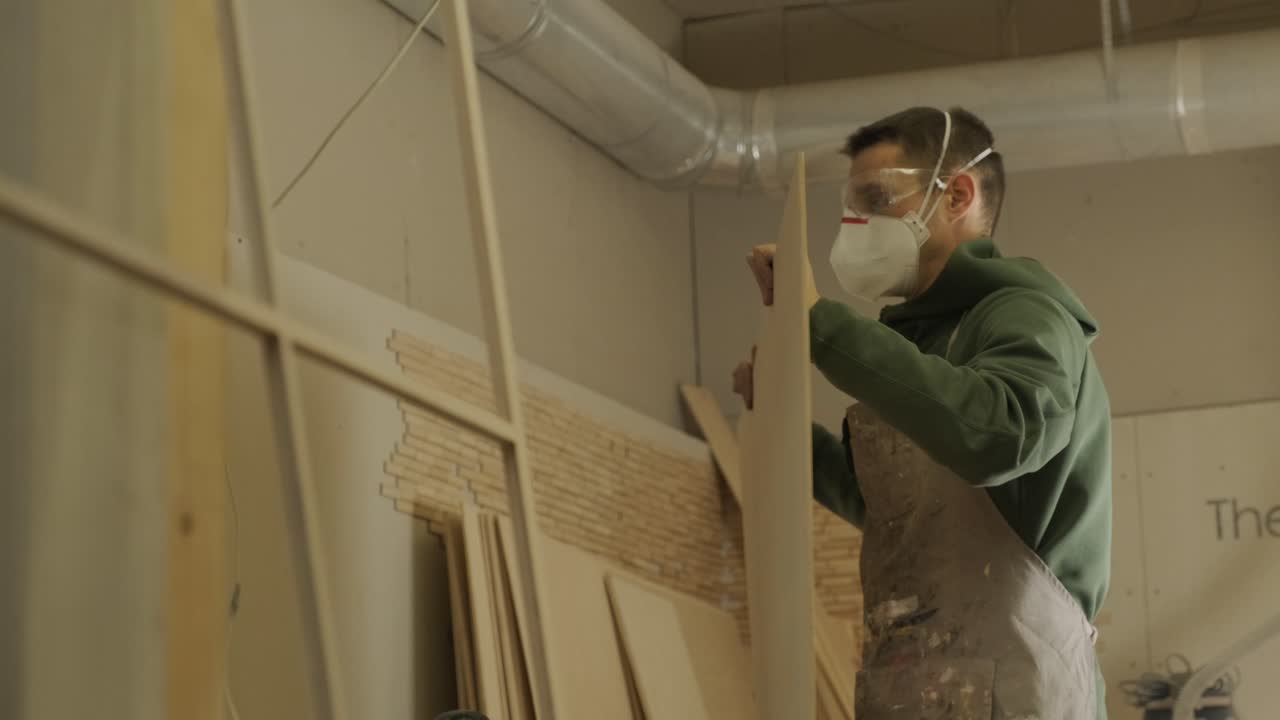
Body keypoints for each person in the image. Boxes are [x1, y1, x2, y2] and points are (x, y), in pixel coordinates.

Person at [732, 107, 1111, 719]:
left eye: (877, 198)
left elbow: (1002, 435)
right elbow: (899, 509)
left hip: (1017, 695)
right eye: (853, 204)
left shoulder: (1025, 316)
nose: (857, 223)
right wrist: (780, 422)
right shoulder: (920, 343)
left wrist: (820, 322)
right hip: (917, 692)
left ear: (957, 193)